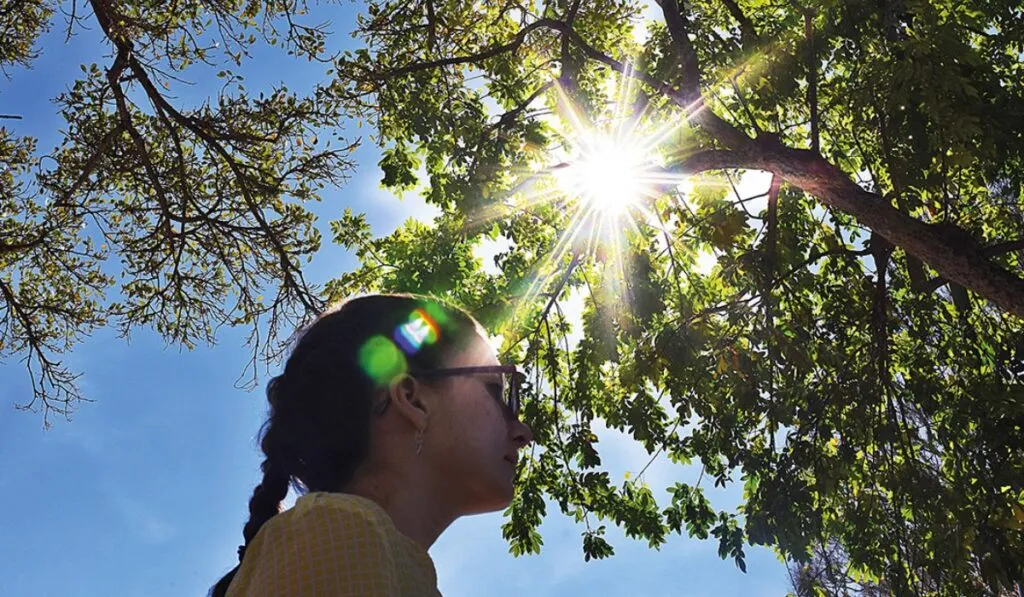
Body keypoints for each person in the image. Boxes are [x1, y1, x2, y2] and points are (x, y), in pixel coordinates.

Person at [209, 293, 534, 596]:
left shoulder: (359, 548)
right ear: (412, 400)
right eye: (497, 391)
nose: (522, 431)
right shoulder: (342, 537)